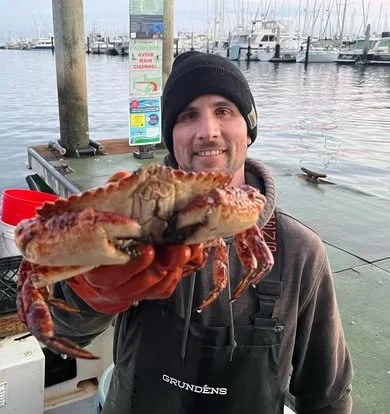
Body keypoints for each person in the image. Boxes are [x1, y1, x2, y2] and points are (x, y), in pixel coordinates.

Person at [51, 51, 353, 413]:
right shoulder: (129, 221)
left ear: (249, 128)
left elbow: (327, 394)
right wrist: (91, 293)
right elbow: (64, 332)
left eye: (224, 111)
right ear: (171, 135)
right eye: (187, 115)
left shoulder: (300, 251)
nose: (207, 131)